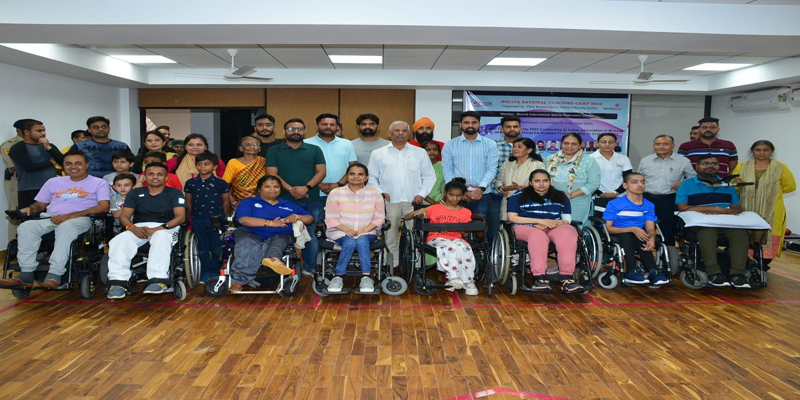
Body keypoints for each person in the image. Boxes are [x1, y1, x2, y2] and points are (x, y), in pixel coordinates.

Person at [0, 150, 110, 289]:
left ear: (87, 165)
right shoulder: (53, 182)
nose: (73, 167)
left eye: (78, 163)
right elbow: (40, 205)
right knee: (26, 227)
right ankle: (26, 274)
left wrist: (70, 216)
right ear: (63, 166)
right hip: (52, 218)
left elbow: (104, 207)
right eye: (68, 164)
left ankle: (54, 274)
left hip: (82, 219)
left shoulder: (99, 183)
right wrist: (30, 209)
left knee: (66, 227)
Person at [105, 162, 187, 299]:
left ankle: (158, 279)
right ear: (145, 177)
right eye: (151, 174)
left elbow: (180, 217)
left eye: (159, 174)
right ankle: (118, 282)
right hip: (139, 227)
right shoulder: (135, 193)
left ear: (166, 177)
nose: (155, 177)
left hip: (166, 227)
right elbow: (124, 216)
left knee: (161, 237)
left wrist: (159, 228)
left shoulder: (174, 193)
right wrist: (131, 227)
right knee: (120, 239)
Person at [368, 121, 435, 271]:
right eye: (396, 130)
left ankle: (417, 265)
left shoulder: (420, 152)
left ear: (409, 134)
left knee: (416, 234)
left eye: (404, 131)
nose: (400, 133)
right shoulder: (378, 153)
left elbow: (429, 177)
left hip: (414, 201)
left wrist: (421, 194)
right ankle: (391, 263)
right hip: (390, 201)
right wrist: (380, 192)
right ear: (389, 133)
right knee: (390, 235)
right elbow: (371, 177)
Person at [676, 154, 750, 288]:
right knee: (707, 232)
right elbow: (682, 207)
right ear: (697, 166)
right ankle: (714, 273)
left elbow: (737, 207)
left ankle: (737, 274)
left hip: (725, 220)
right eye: (705, 163)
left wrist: (727, 212)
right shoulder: (687, 184)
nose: (710, 166)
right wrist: (712, 209)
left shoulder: (727, 184)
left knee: (740, 233)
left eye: (714, 164)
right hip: (700, 222)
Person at [230, 175, 314, 291]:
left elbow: (310, 218)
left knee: (280, 239)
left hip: (280, 235)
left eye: (276, 187)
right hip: (250, 232)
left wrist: (297, 216)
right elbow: (243, 220)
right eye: (267, 186)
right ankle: (239, 280)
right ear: (259, 189)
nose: (272, 189)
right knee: (248, 244)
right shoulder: (248, 202)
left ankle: (272, 259)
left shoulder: (288, 205)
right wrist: (271, 223)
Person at [266, 118, 326, 276]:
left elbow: (321, 172)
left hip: (311, 199)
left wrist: (306, 188)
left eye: (299, 129)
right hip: (283, 200)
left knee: (312, 236)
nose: (296, 132)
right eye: (291, 129)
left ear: (304, 131)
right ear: (284, 131)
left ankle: (310, 268)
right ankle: (281, 266)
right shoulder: (274, 151)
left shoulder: (314, 149)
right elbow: (272, 174)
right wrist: (291, 189)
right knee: (281, 234)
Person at [506, 170, 582, 293]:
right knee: (538, 236)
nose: (541, 184)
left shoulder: (560, 196)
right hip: (525, 226)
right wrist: (541, 221)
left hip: (553, 225)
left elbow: (567, 219)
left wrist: (552, 223)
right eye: (537, 181)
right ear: (530, 182)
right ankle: (540, 278)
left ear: (550, 182)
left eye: (545, 181)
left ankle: (567, 278)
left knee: (568, 233)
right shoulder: (518, 196)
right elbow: (512, 217)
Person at [405, 178, 478, 295]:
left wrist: (453, 228)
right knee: (452, 246)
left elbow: (465, 234)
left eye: (458, 196)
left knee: (465, 247)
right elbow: (406, 217)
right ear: (445, 193)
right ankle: (453, 276)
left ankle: (468, 281)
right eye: (451, 195)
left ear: (463, 195)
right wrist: (418, 212)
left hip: (456, 238)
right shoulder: (435, 208)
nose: (454, 198)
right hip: (436, 238)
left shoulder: (466, 212)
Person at [732, 140, 796, 265]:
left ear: (771, 151)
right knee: (745, 235)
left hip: (772, 209)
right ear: (752, 151)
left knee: (770, 235)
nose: (762, 152)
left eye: (765, 150)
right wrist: (737, 182)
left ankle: (764, 265)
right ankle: (746, 264)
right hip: (747, 207)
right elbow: (734, 185)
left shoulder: (780, 167)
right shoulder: (742, 166)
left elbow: (790, 186)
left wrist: (769, 193)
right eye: (758, 150)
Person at [324, 163, 385, 293]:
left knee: (362, 240)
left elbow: (379, 218)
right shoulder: (336, 193)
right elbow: (331, 218)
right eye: (352, 174)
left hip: (368, 232)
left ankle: (366, 278)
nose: (356, 177)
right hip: (340, 232)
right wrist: (347, 230)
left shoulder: (375, 194)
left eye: (360, 174)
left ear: (367, 177)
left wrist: (364, 230)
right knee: (350, 242)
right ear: (346, 176)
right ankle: (338, 277)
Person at [442, 111, 500, 240]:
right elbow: (447, 169)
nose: (470, 125)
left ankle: (477, 253)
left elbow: (492, 169)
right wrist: (458, 192)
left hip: (481, 195)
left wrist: (481, 189)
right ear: (460, 124)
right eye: (466, 122)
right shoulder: (450, 145)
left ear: (479, 124)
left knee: (478, 230)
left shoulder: (490, 144)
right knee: (457, 228)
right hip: (457, 195)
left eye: (474, 122)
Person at [603, 173, 669, 286]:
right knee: (628, 236)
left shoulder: (648, 205)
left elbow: (650, 228)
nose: (640, 185)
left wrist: (652, 238)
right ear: (625, 185)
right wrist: (632, 229)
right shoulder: (614, 204)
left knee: (643, 237)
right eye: (635, 182)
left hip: (639, 232)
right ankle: (631, 271)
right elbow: (607, 229)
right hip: (619, 231)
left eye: (643, 182)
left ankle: (653, 270)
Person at [638, 134, 696, 246]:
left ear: (673, 145)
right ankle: (645, 253)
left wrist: (682, 183)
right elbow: (638, 178)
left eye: (665, 144)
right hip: (646, 199)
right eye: (658, 144)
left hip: (669, 200)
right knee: (644, 228)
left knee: (668, 230)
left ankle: (668, 254)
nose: (661, 147)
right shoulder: (646, 160)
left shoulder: (683, 161)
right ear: (654, 146)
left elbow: (693, 178)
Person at [184, 152, 231, 283]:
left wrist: (222, 217)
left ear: (214, 166)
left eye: (206, 164)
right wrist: (193, 215)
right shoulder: (191, 183)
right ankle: (204, 272)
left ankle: (215, 272)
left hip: (216, 220)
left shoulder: (221, 183)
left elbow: (226, 201)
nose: (203, 167)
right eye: (199, 164)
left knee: (217, 247)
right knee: (202, 247)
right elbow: (189, 201)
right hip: (198, 219)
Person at [545, 133, 600, 225]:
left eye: (574, 144)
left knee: (573, 229)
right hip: (552, 201)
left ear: (580, 145)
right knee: (551, 226)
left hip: (578, 202)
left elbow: (594, 183)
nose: (569, 146)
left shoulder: (589, 161)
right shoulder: (549, 160)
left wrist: (570, 195)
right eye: (566, 143)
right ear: (561, 144)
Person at [8, 119, 64, 209]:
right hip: (30, 189)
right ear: (27, 132)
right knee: (30, 215)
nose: (43, 133)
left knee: (53, 215)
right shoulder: (18, 147)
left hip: (52, 189)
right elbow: (28, 167)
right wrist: (50, 162)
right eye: (39, 131)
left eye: (44, 130)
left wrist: (49, 148)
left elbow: (63, 162)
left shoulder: (49, 146)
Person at [489, 116, 527, 241]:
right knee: (495, 225)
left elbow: (535, 170)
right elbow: (490, 169)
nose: (512, 129)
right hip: (498, 195)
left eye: (515, 126)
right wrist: (500, 187)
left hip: (524, 195)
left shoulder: (529, 146)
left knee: (522, 225)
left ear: (520, 129)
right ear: (502, 129)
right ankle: (494, 251)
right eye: (508, 126)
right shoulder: (494, 146)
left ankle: (517, 251)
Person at [305, 113, 357, 199]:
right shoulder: (306, 143)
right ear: (317, 126)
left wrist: (339, 184)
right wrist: (319, 184)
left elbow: (353, 167)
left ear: (337, 127)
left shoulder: (347, 143)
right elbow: (303, 168)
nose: (328, 127)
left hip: (342, 192)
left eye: (332, 124)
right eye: (324, 124)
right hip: (315, 192)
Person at [496, 138, 546, 219]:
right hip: (508, 203)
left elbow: (542, 186)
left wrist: (519, 187)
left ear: (529, 150)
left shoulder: (538, 165)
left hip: (529, 202)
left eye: (519, 147)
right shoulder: (507, 164)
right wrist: (502, 188)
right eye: (514, 146)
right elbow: (498, 181)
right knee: (507, 225)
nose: (515, 149)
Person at [590, 133, 632, 212]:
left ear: (616, 144)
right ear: (597, 143)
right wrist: (600, 193)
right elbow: (587, 180)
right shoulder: (590, 158)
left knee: (619, 219)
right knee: (598, 218)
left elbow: (628, 179)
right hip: (597, 197)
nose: (607, 144)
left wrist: (615, 193)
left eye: (611, 142)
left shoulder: (623, 158)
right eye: (603, 142)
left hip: (620, 196)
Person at [2, 119, 29, 238]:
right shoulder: (9, 145)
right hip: (16, 181)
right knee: (15, 213)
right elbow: (14, 167)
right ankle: (13, 244)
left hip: (35, 183)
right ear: (19, 131)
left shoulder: (38, 144)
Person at [223, 136, 267, 209]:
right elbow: (224, 184)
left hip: (261, 201)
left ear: (259, 148)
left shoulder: (264, 162)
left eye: (255, 144)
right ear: (241, 148)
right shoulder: (233, 162)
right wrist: (233, 201)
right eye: (248, 144)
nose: (252, 147)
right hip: (238, 201)